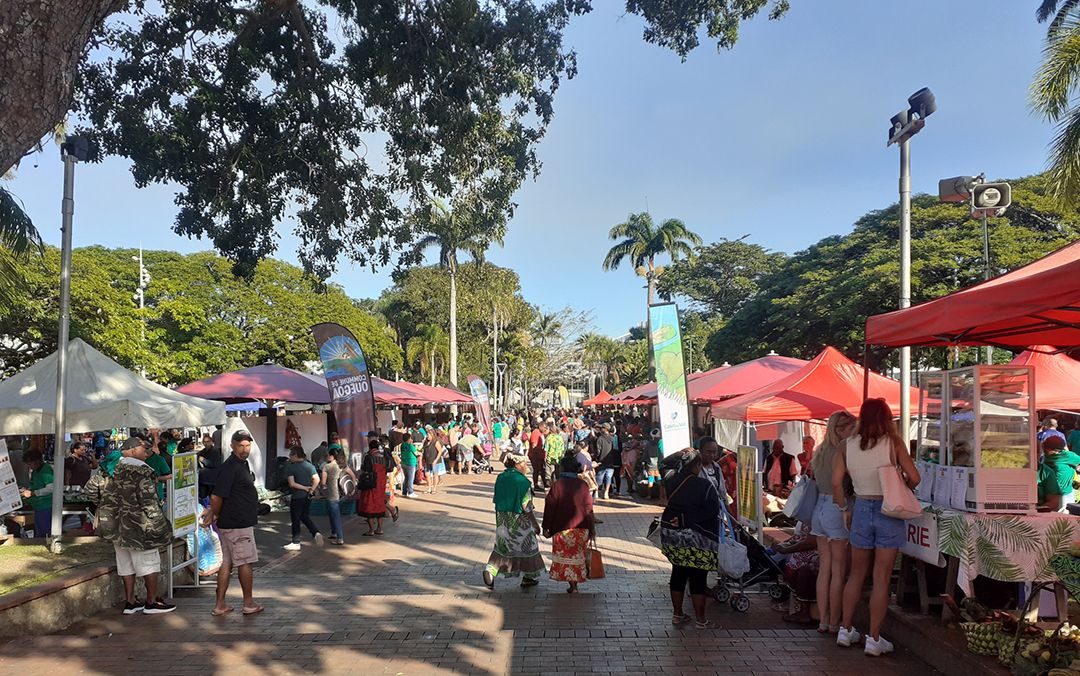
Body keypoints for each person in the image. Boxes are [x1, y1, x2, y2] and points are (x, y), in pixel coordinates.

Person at [834, 398, 920, 656]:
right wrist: (902, 483)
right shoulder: (893, 443)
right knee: (882, 577)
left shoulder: (846, 446)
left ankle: (845, 629)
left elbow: (836, 482)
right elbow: (915, 477)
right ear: (885, 418)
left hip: (860, 507)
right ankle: (873, 638)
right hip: (889, 510)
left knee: (856, 574)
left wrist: (844, 509)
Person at [98, 437, 175, 614]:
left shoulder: (109, 469)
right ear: (132, 450)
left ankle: (130, 602)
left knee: (125, 563)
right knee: (149, 562)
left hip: (116, 525)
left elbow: (91, 490)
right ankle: (151, 602)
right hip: (139, 526)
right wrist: (159, 524)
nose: (147, 452)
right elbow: (148, 502)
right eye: (143, 449)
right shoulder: (142, 471)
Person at [204, 430, 263, 616]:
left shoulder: (240, 464)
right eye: (240, 445)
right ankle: (248, 603)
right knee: (245, 562)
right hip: (237, 523)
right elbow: (216, 496)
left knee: (227, 563)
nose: (244, 449)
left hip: (233, 522)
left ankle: (219, 604)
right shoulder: (230, 467)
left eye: (247, 445)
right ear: (232, 445)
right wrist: (215, 513)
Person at [659, 449, 720, 629]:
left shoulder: (671, 481)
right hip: (699, 538)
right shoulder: (705, 486)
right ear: (698, 466)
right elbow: (712, 511)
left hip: (674, 536)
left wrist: (682, 454)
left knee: (678, 573)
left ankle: (678, 614)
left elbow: (664, 463)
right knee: (698, 578)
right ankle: (701, 620)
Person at [810, 411, 857, 635]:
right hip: (837, 507)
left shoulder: (819, 451)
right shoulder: (844, 451)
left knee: (825, 569)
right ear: (842, 430)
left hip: (818, 508)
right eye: (852, 429)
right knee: (838, 570)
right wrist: (845, 508)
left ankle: (823, 620)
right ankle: (835, 621)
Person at [483, 456, 545, 589]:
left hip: (503, 518)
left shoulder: (501, 477)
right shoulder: (523, 481)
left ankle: (490, 570)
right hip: (519, 519)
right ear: (517, 464)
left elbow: (496, 498)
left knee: (502, 546)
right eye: (524, 463)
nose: (526, 465)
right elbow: (526, 506)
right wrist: (535, 524)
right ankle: (528, 577)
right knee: (527, 547)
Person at [542, 454, 596, 593]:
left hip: (562, 529)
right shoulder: (583, 485)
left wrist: (546, 526)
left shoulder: (557, 485)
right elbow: (589, 508)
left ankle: (572, 584)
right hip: (581, 528)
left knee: (566, 558)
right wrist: (592, 528)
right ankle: (575, 584)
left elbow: (550, 506)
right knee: (577, 557)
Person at [284, 446, 323, 551]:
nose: (289, 457)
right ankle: (315, 532)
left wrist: (305, 488)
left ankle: (296, 542)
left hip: (297, 496)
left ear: (296, 455)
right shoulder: (309, 466)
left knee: (295, 518)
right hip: (307, 497)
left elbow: (292, 484)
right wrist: (311, 489)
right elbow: (316, 479)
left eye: (291, 455)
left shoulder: (291, 467)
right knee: (304, 516)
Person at [357, 439, 392, 536]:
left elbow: (366, 469)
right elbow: (388, 469)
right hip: (381, 484)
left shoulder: (369, 457)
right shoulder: (383, 457)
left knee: (369, 505)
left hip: (371, 484)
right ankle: (380, 529)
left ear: (370, 447)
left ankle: (371, 529)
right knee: (380, 505)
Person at [1038, 435, 1080, 512]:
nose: (1043, 449)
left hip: (1063, 493)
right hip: (1054, 492)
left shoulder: (1066, 455)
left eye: (1045, 448)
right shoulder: (1047, 456)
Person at [321, 449, 354, 545]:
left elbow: (323, 483)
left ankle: (340, 538)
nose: (327, 457)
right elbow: (352, 476)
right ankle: (334, 533)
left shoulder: (326, 467)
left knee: (335, 516)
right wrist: (352, 489)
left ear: (331, 456)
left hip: (332, 495)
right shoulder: (343, 465)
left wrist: (322, 491)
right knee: (334, 515)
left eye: (328, 455)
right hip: (342, 495)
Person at [19, 449, 54, 537]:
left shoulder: (46, 470)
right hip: (38, 506)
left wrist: (33, 493)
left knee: (45, 534)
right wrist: (26, 490)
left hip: (46, 506)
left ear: (37, 461)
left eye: (30, 463)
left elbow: (51, 488)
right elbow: (35, 486)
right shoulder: (35, 472)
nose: (29, 466)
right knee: (39, 532)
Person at [595, 424, 619, 500]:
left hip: (602, 461)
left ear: (605, 429)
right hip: (611, 461)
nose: (601, 429)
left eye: (602, 428)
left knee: (599, 477)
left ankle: (597, 493)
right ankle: (606, 492)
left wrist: (597, 458)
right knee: (609, 477)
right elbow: (616, 449)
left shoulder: (599, 439)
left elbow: (598, 451)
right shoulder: (613, 438)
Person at [422, 428, 445, 495]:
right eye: (427, 434)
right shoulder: (426, 442)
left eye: (428, 434)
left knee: (435, 474)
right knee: (427, 474)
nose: (427, 436)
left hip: (435, 461)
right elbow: (424, 451)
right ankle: (429, 488)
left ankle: (434, 488)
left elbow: (440, 451)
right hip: (427, 460)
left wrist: (435, 460)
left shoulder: (436, 442)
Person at [528, 423, 548, 491]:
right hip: (535, 455)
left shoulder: (541, 433)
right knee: (536, 470)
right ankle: (536, 485)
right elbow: (534, 445)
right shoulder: (536, 432)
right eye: (544, 427)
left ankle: (545, 483)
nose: (545, 429)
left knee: (542, 470)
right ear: (541, 426)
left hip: (540, 455)